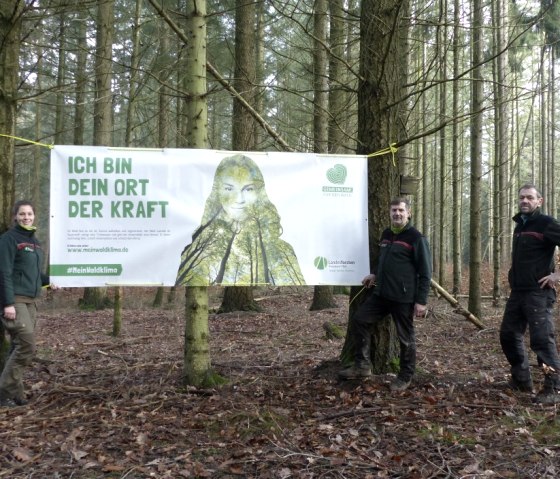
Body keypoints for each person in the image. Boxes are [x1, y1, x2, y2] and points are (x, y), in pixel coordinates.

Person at [338, 197, 432, 391]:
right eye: (394, 211)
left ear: (409, 213)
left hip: (403, 298)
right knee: (360, 319)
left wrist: (421, 301)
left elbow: (425, 272)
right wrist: (374, 273)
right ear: (389, 213)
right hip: (381, 294)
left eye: (401, 210)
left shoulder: (416, 238)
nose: (397, 214)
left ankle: (405, 376)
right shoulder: (387, 234)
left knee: (405, 338)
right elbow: (382, 260)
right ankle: (362, 366)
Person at [176, 154, 305, 286]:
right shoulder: (198, 247)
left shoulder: (282, 249)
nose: (239, 199)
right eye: (228, 188)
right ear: (217, 191)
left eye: (248, 189)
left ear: (259, 193)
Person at [500, 184, 560, 404]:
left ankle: (554, 387)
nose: (524, 201)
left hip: (538, 293)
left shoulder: (546, 224)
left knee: (542, 340)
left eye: (529, 198)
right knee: (508, 335)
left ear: (539, 201)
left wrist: (556, 275)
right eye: (522, 198)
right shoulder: (520, 225)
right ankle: (521, 379)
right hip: (518, 292)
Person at [0, 200, 56, 408]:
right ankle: (3, 391)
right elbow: (3, 272)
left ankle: (15, 394)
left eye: (30, 214)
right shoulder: (8, 239)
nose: (26, 217)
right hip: (15, 300)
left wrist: (50, 282)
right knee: (27, 345)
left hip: (31, 301)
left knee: (17, 346)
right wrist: (7, 304)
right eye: (22, 214)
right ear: (15, 216)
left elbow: (33, 275)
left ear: (34, 216)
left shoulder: (36, 243)